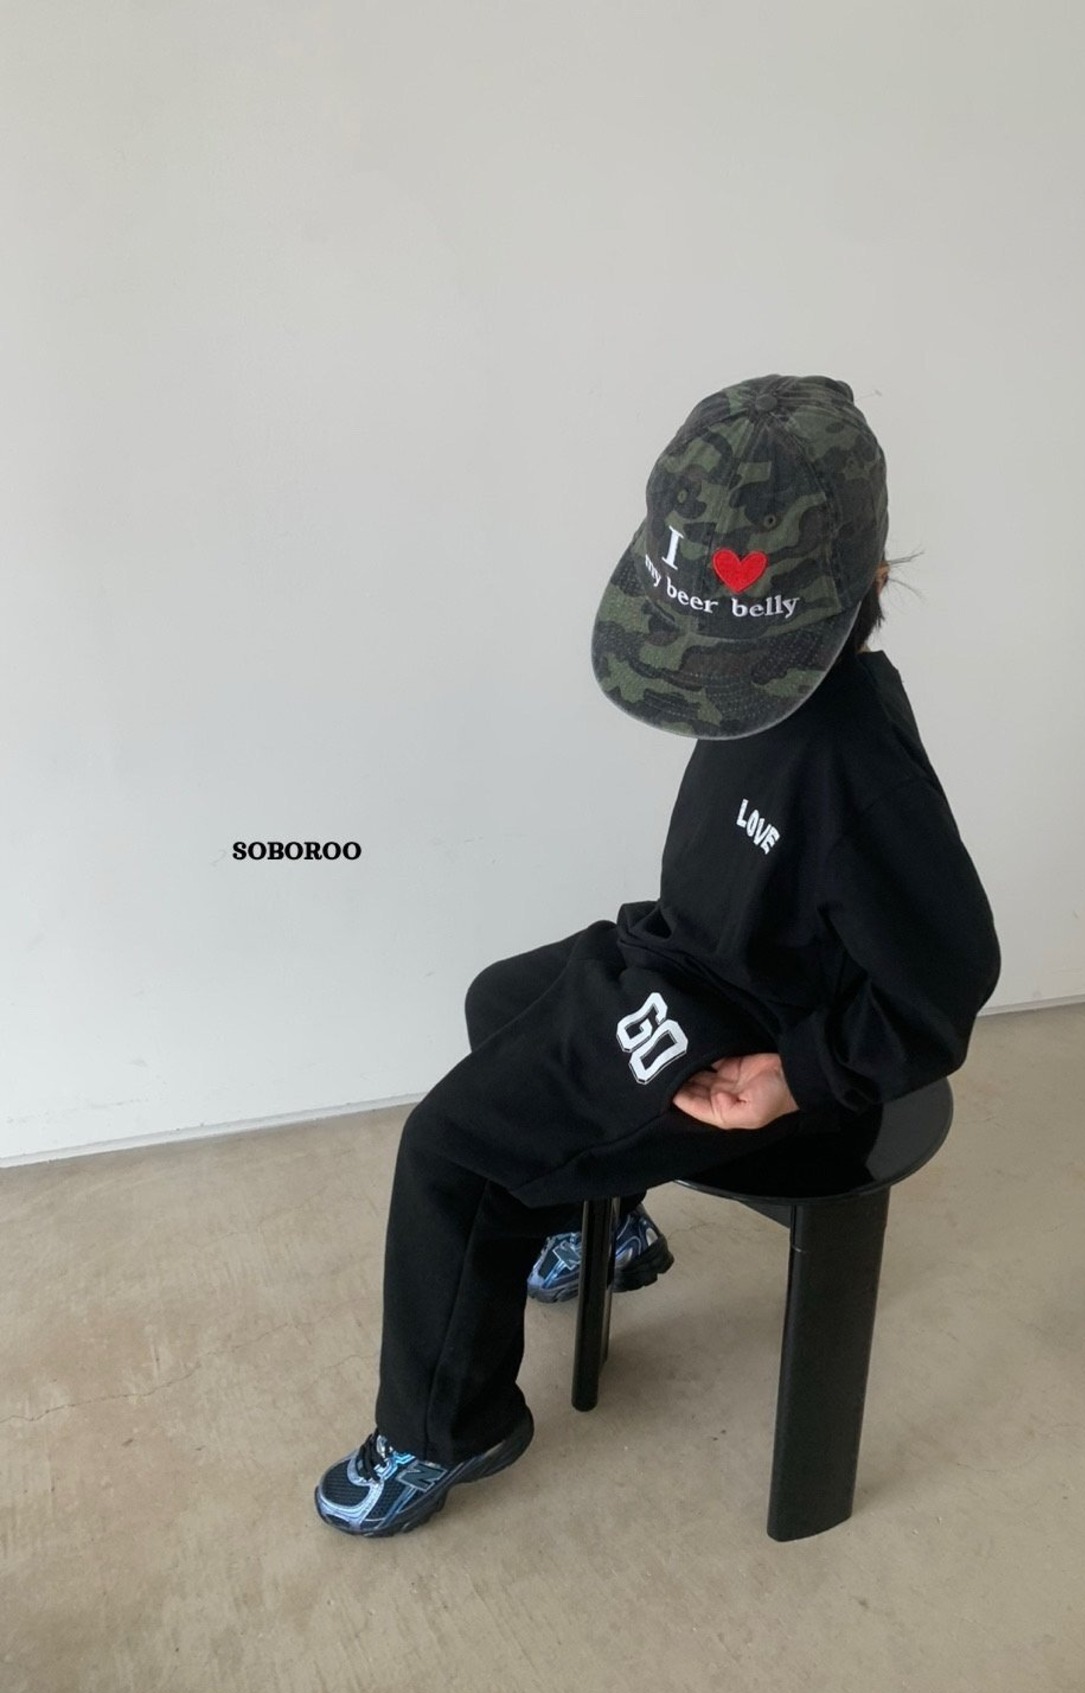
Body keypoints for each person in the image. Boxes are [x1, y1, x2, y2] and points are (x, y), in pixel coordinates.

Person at [314, 373, 1001, 1537]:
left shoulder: (858, 775)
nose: (717, 686)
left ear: (871, 584)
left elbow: (943, 985)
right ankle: (611, 1223)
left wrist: (798, 1076)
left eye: (744, 660)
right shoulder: (779, 701)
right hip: (694, 953)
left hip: (748, 1032)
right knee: (498, 998)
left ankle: (441, 1429)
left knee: (452, 1150)